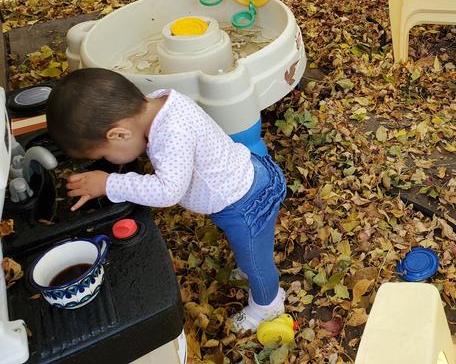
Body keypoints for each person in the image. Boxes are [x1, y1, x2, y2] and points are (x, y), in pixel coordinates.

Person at [46, 68, 286, 333]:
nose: (110, 162)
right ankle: (249, 269)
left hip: (246, 204)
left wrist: (108, 183)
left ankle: (268, 305)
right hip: (241, 180)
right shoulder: (159, 103)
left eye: (107, 155)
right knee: (249, 252)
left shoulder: (172, 133)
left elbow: (167, 191)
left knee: (256, 261)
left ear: (119, 134)